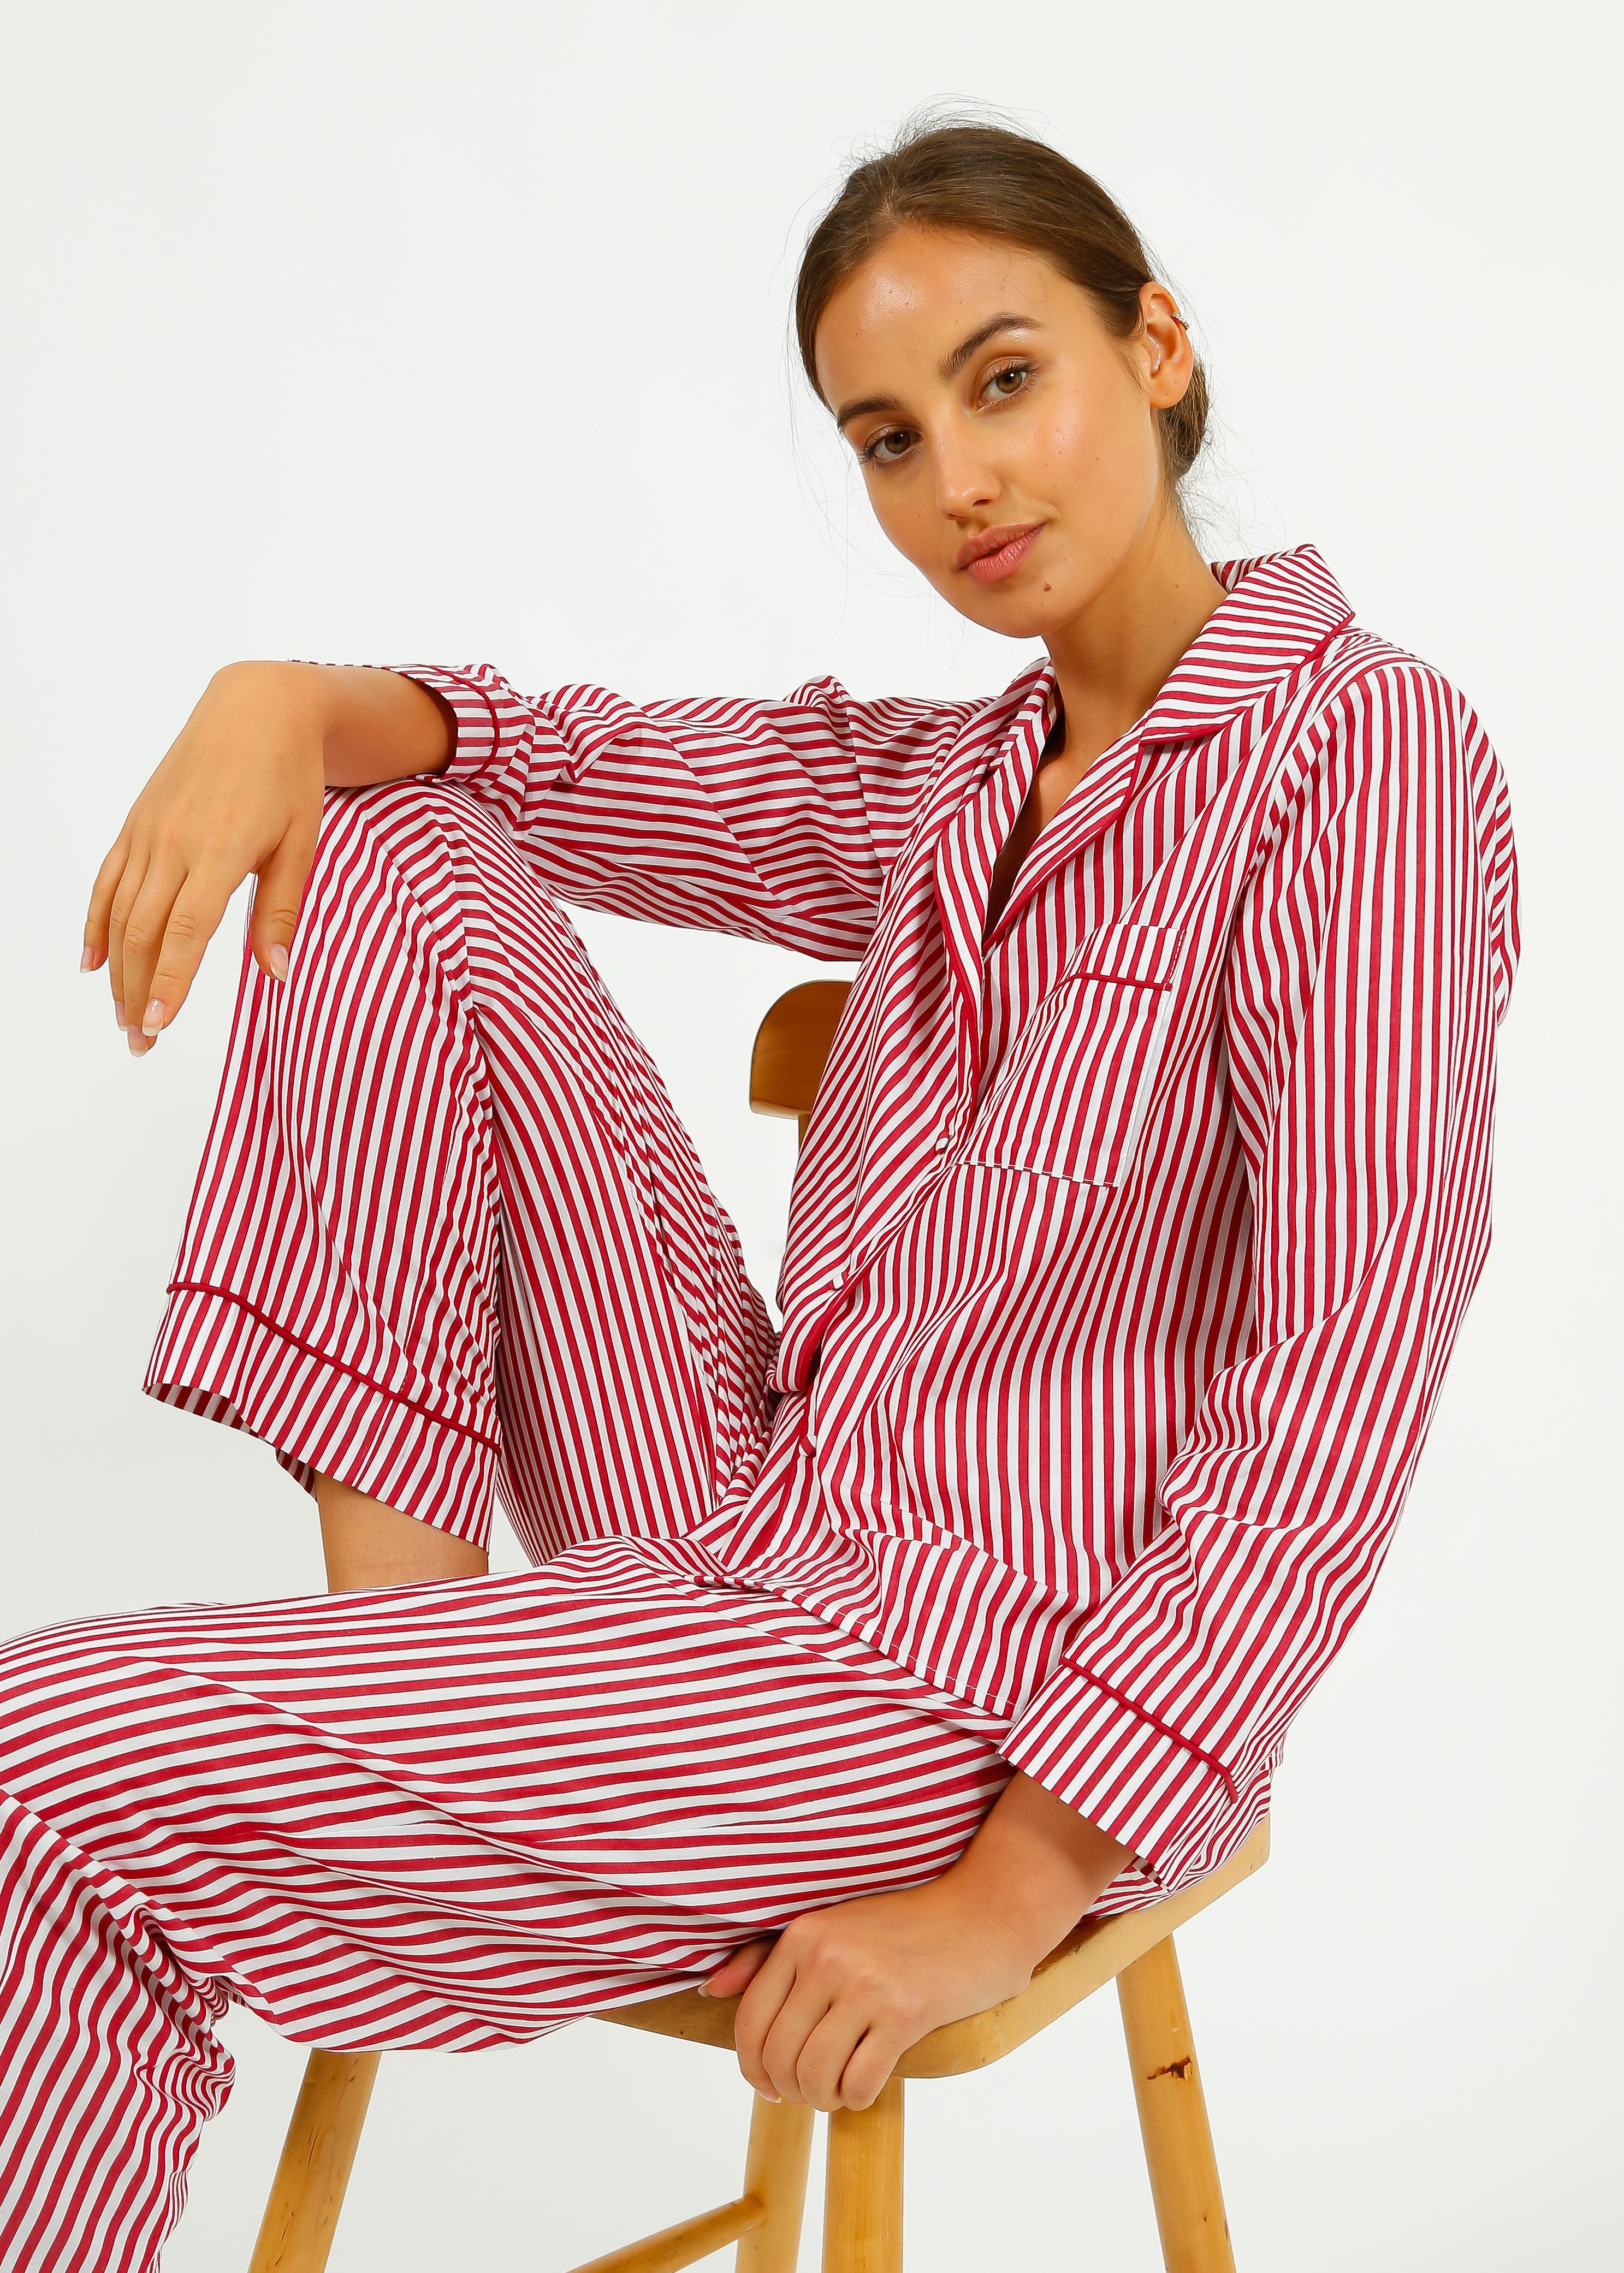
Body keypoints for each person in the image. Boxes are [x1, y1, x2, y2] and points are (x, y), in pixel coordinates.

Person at [0, 121, 1517, 2271]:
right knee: (384, 831)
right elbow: (549, 759)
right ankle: (411, 1675)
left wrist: (1005, 1892)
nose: (958, 480)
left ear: (1157, 347)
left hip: (985, 1687)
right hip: (750, 1533)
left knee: (47, 1760)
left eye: (1007, 381)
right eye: (889, 439)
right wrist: (278, 698)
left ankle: (406, 1761)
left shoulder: (1362, 760)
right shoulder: (949, 784)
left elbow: (1340, 1385)